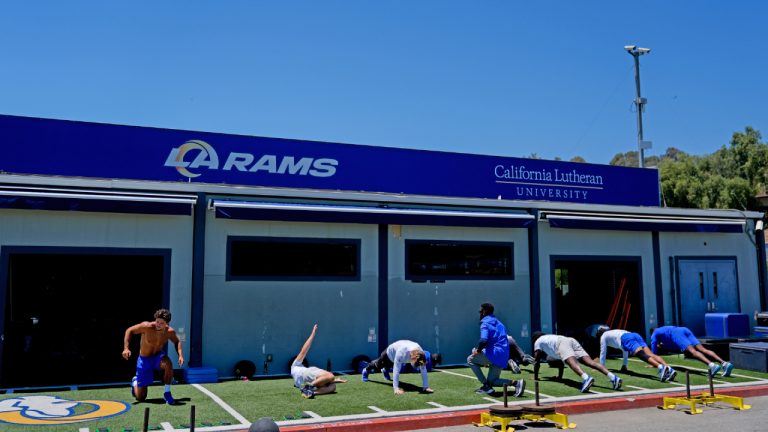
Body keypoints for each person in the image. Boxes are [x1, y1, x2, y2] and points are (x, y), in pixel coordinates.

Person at [122, 308, 184, 405]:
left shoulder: (169, 332)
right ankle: (135, 382)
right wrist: (126, 348)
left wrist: (180, 355)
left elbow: (177, 341)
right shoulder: (146, 326)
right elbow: (129, 330)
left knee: (168, 363)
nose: (158, 324)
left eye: (161, 323)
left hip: (157, 358)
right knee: (141, 397)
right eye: (157, 321)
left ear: (167, 323)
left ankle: (167, 393)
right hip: (144, 360)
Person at [533, 331, 622, 393]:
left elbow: (536, 361)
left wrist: (535, 377)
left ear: (535, 338)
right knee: (590, 362)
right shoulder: (548, 338)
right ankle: (614, 378)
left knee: (572, 363)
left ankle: (586, 378)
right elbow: (560, 362)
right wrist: (559, 377)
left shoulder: (538, 341)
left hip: (561, 343)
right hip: (570, 340)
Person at [467, 303, 525, 397]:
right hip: (503, 355)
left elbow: (483, 340)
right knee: (493, 381)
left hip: (494, 353)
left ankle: (485, 386)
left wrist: (478, 351)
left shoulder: (485, 323)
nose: (480, 313)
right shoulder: (500, 323)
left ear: (484, 312)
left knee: (470, 359)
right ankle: (516, 383)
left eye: (480, 311)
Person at [596, 326, 677, 382]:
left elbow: (603, 352)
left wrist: (601, 367)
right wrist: (624, 365)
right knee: (650, 354)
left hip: (626, 338)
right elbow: (624, 350)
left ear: (600, 333)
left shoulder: (603, 336)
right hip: (634, 334)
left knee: (641, 355)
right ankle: (669, 369)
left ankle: (661, 367)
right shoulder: (613, 332)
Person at [650, 326, 734, 377]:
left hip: (676, 333)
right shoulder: (663, 330)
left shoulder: (654, 333)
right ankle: (724, 363)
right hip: (684, 329)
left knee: (693, 352)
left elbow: (653, 349)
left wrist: (653, 363)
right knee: (702, 349)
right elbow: (672, 344)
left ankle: (712, 365)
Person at [290, 324, 347, 398]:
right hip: (306, 374)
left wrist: (335, 380)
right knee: (330, 375)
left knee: (333, 386)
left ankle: (310, 392)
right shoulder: (295, 366)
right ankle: (309, 387)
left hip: (308, 379)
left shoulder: (296, 376)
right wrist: (313, 334)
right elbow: (304, 350)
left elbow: (319, 379)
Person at [362, 340, 434, 394]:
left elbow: (423, 369)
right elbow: (396, 370)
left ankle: (385, 370)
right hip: (388, 354)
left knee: (389, 366)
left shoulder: (420, 354)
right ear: (412, 358)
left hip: (397, 357)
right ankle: (365, 370)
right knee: (377, 366)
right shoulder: (402, 352)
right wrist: (396, 388)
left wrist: (426, 387)